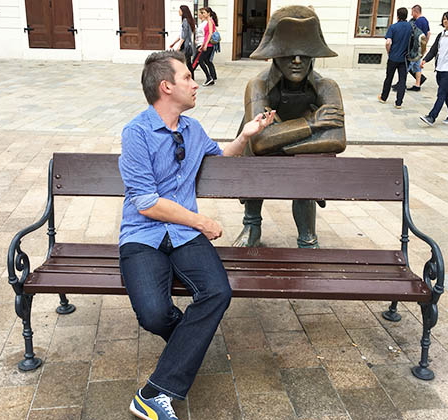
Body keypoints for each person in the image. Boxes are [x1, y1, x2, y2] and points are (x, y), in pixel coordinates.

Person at [119, 50, 274, 420]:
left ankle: (153, 393)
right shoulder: (136, 133)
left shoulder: (193, 129)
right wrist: (202, 221)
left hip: (184, 238)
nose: (195, 83)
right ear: (166, 86)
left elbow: (222, 155)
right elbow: (146, 203)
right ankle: (187, 348)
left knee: (218, 291)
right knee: (154, 315)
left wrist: (247, 135)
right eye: (188, 77)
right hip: (143, 236)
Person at [232, 6, 345, 249]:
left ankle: (307, 236)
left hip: (300, 155)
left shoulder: (327, 87)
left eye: (304, 55)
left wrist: (281, 143)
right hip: (259, 155)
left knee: (304, 164)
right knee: (254, 149)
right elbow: (259, 142)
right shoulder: (258, 85)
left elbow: (337, 139)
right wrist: (312, 124)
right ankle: (252, 223)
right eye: (288, 54)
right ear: (275, 55)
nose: (296, 61)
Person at [420, 11, 448, 126]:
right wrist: (425, 60)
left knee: (441, 93)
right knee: (446, 92)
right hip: (439, 68)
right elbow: (434, 50)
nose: (445, 21)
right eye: (444, 19)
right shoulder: (441, 35)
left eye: (447, 19)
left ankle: (432, 117)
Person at [377, 7, 412, 109]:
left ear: (397, 15)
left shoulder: (393, 27)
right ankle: (399, 103)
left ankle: (384, 97)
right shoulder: (410, 27)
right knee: (402, 80)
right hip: (405, 59)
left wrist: (389, 51)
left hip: (393, 57)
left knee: (389, 78)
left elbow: (388, 42)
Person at [407, 5, 430, 91]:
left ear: (416, 12)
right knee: (417, 66)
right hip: (421, 47)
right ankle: (417, 84)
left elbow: (414, 35)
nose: (411, 14)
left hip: (415, 48)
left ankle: (401, 83)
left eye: (412, 12)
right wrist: (425, 45)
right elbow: (428, 33)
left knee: (408, 65)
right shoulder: (425, 20)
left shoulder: (418, 22)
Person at [169, 5, 196, 79]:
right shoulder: (187, 20)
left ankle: (186, 77)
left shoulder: (185, 21)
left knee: (182, 62)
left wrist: (179, 46)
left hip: (185, 46)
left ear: (183, 11)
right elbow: (181, 35)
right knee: (187, 63)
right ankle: (190, 77)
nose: (178, 11)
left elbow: (184, 36)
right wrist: (174, 43)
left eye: (179, 10)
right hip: (187, 45)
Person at [196, 7, 218, 86]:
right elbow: (206, 35)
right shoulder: (209, 21)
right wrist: (203, 44)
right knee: (206, 61)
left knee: (201, 61)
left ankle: (209, 78)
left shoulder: (210, 21)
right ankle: (211, 78)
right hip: (207, 44)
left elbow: (210, 33)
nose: (203, 14)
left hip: (209, 45)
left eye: (204, 13)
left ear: (208, 13)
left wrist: (205, 44)